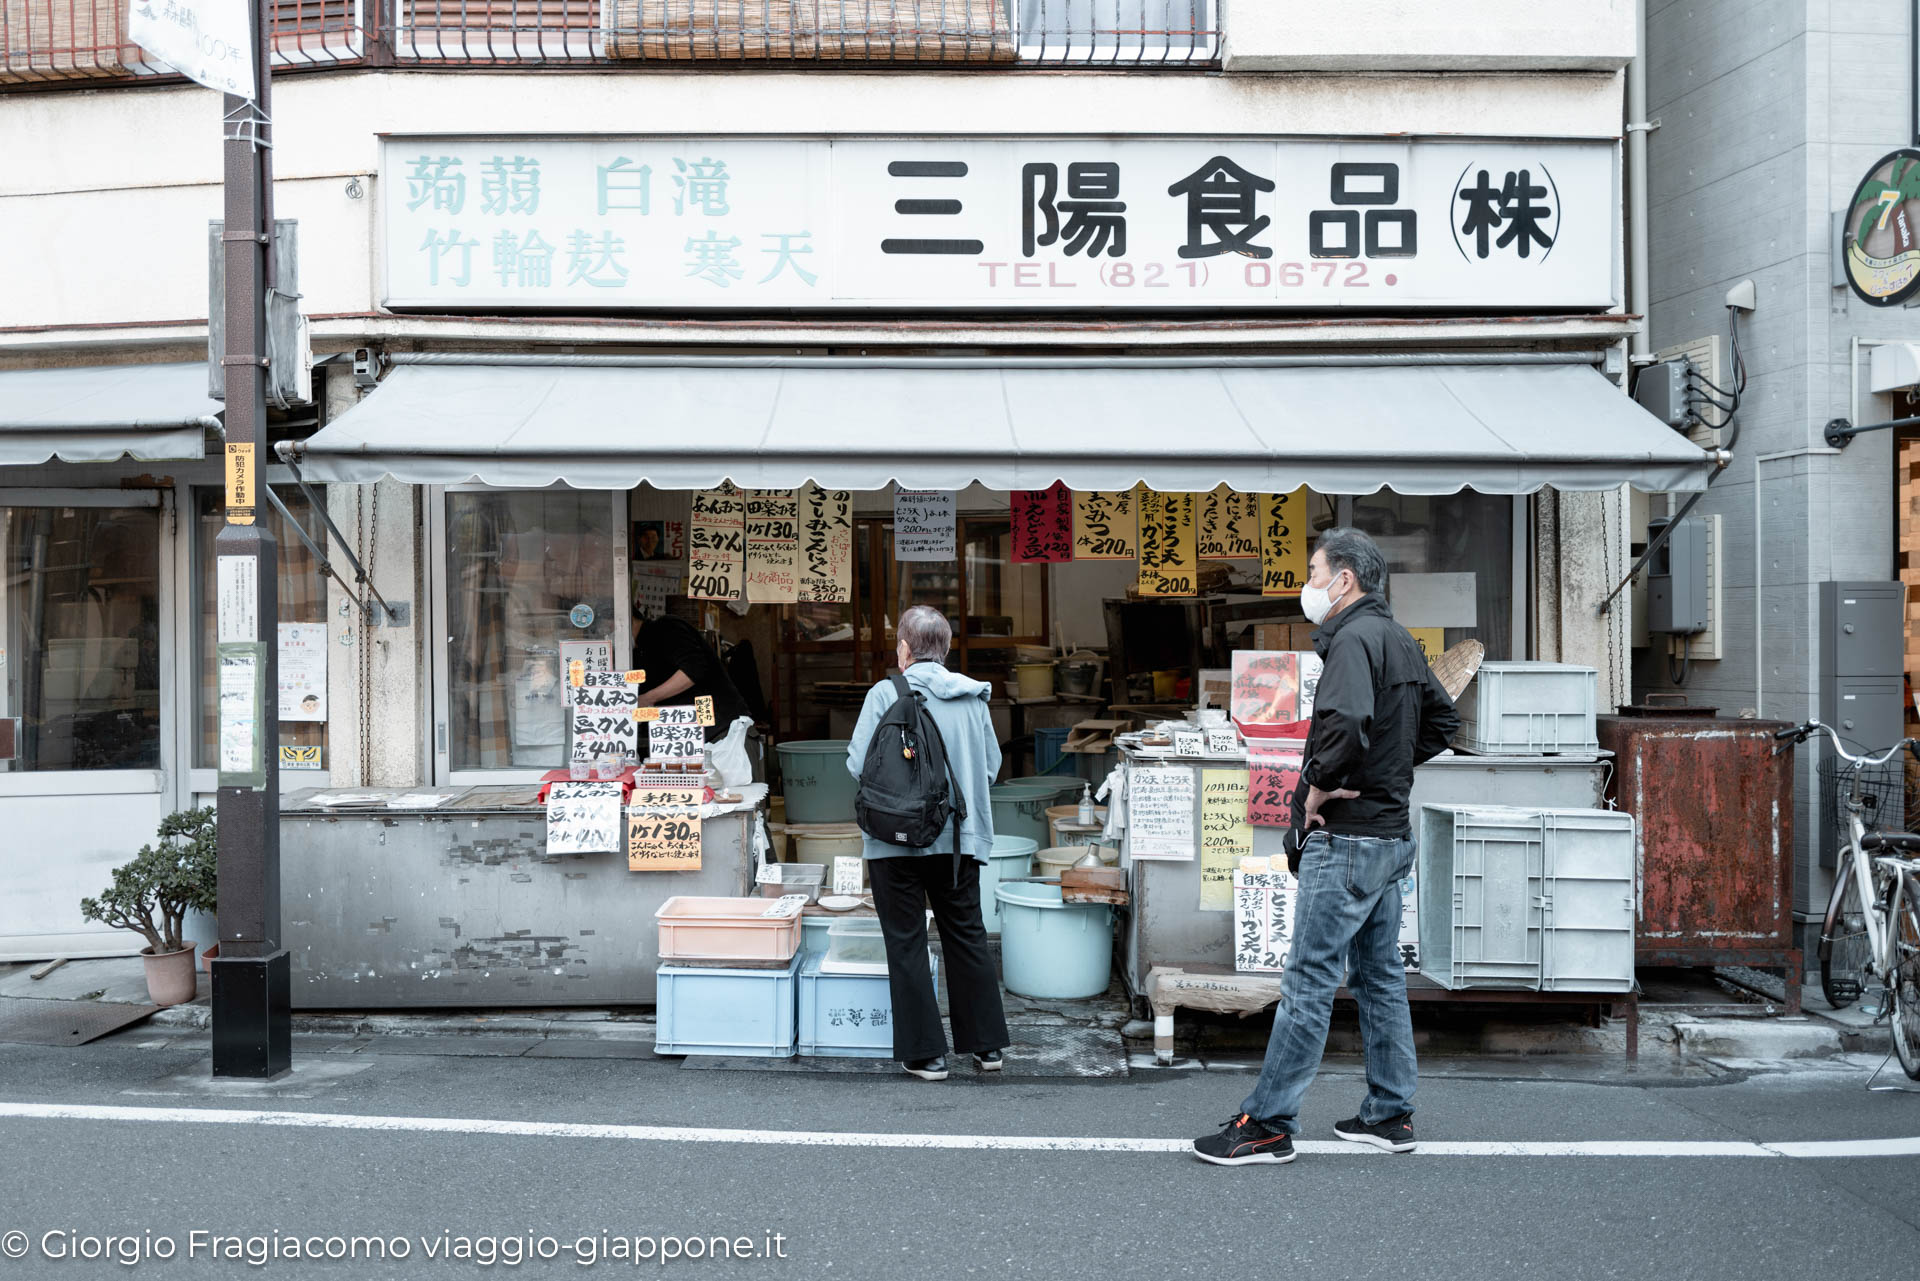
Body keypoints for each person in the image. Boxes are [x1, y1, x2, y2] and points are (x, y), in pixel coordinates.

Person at [1193, 527, 1460, 1167]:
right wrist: (1383, 771)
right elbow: (1444, 723)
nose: (1307, 585)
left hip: (1345, 841)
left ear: (1344, 579)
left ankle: (1268, 1126)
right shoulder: (1399, 638)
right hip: (1391, 836)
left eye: (1314, 572)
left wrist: (1318, 788)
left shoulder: (1352, 639)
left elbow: (1341, 723)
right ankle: (1389, 1115)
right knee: (1380, 979)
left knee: (1309, 981)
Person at [844, 606, 1009, 1082]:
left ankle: (925, 1056)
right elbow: (991, 769)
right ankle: (987, 1048)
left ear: (905, 649)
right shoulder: (973, 698)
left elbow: (859, 764)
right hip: (957, 841)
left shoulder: (884, 694)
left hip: (892, 843)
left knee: (907, 941)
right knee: (966, 936)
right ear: (946, 648)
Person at [631, 603, 748, 742]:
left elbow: (693, 669)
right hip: (687, 740)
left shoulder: (665, 627)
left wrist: (647, 698)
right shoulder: (637, 654)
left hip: (724, 734)